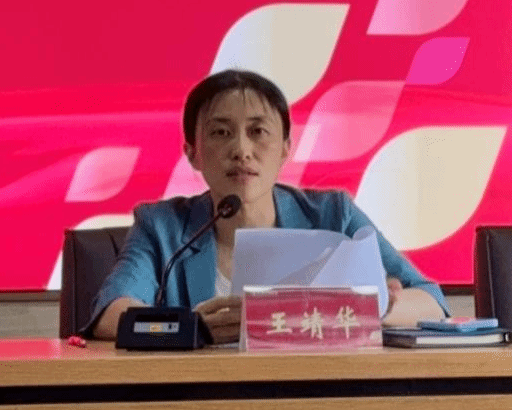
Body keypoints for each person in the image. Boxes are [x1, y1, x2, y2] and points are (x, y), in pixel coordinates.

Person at [86, 69, 448, 342]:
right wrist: (194, 328)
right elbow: (111, 314)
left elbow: (432, 301)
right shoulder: (162, 226)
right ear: (192, 153)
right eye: (221, 132)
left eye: (258, 131)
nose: (241, 150)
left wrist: (376, 307)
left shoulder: (334, 215)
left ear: (286, 148)